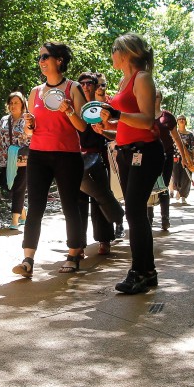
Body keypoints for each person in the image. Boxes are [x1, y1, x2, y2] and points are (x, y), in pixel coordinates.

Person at [12, 43, 88, 277]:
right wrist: (30, 125)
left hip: (67, 155)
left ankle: (74, 253)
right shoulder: (35, 92)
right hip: (39, 155)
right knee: (35, 207)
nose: (41, 61)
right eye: (39, 58)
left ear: (59, 60)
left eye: (45, 56)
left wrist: (69, 111)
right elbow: (29, 131)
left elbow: (83, 127)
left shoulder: (73, 88)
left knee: (69, 205)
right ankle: (27, 260)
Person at [99, 33, 165, 294]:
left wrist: (117, 114)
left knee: (135, 212)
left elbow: (148, 120)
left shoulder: (143, 78)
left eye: (114, 49)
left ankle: (138, 271)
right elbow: (127, 121)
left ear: (125, 52)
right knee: (135, 212)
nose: (112, 54)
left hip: (145, 152)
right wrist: (108, 125)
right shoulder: (124, 80)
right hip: (126, 152)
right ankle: (147, 272)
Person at [76, 72, 124, 256]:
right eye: (82, 84)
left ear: (96, 86)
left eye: (90, 83)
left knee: (101, 197)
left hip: (98, 156)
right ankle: (78, 244)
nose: (86, 86)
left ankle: (105, 240)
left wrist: (103, 129)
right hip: (77, 158)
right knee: (78, 201)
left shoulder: (103, 107)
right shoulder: (73, 106)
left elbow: (115, 129)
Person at [150, 92, 188, 230]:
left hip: (166, 156)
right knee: (149, 187)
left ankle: (165, 219)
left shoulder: (168, 117)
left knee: (163, 187)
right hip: (149, 157)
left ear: (160, 99)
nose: (154, 98)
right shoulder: (144, 115)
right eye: (152, 95)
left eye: (157, 96)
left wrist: (184, 157)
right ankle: (149, 219)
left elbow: (177, 138)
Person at [0, 91, 30, 230]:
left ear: (22, 104)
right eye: (11, 103)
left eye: (16, 102)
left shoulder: (27, 119)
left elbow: (34, 137)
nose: (13, 105)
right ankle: (23, 212)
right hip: (6, 159)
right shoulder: (4, 120)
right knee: (8, 186)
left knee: (18, 189)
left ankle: (14, 220)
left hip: (23, 160)